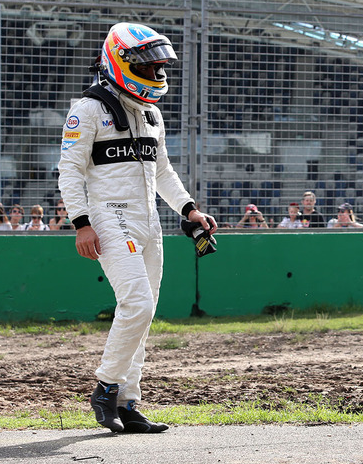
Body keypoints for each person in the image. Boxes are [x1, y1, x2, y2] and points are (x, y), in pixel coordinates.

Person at [58, 22, 216, 434]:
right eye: (147, 66)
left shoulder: (150, 112)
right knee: (138, 305)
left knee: (144, 313)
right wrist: (81, 223)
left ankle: (129, 402)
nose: (156, 74)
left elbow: (162, 170)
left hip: (150, 222)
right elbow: (70, 171)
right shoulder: (87, 109)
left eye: (159, 66)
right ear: (118, 61)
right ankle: (105, 389)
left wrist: (189, 210)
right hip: (109, 218)